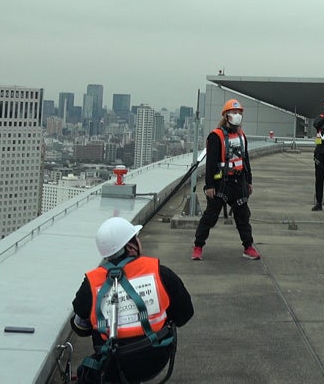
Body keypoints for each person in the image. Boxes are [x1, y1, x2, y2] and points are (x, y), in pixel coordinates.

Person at [71, 216, 194, 383]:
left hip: (112, 364)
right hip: (155, 357)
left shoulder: (91, 284)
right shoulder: (159, 272)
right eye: (136, 238)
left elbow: (80, 327)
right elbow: (184, 314)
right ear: (130, 247)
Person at [192, 99, 261, 260]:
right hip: (221, 184)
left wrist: (249, 181)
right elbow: (210, 163)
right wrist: (209, 185)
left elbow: (245, 160)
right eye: (234, 113)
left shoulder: (241, 136)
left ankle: (248, 247)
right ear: (226, 115)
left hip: (239, 182)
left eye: (239, 113)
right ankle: (198, 246)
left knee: (243, 216)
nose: (237, 116)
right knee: (210, 216)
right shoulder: (216, 136)